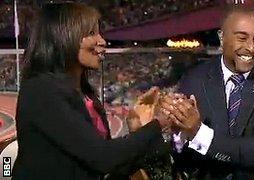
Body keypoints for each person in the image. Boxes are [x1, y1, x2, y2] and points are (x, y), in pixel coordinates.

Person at [12, 2, 170, 180]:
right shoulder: (41, 91)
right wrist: (158, 125)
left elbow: (110, 167)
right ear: (63, 37)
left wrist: (136, 128)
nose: (102, 41)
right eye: (91, 33)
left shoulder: (85, 93)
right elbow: (102, 158)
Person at [159, 5, 254, 179]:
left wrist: (198, 132)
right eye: (242, 38)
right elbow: (184, 155)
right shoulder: (195, 78)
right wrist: (178, 131)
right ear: (222, 37)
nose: (251, 47)